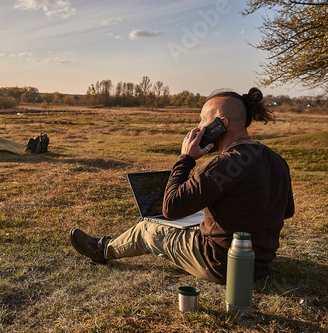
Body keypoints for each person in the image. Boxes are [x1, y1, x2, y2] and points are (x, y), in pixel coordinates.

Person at [70, 87, 295, 284]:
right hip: (260, 265)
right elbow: (287, 211)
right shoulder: (276, 160)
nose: (198, 127)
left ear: (221, 124)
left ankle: (102, 249)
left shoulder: (223, 163)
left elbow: (171, 208)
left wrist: (186, 158)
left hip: (222, 266)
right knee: (193, 224)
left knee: (147, 228)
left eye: (202, 120)